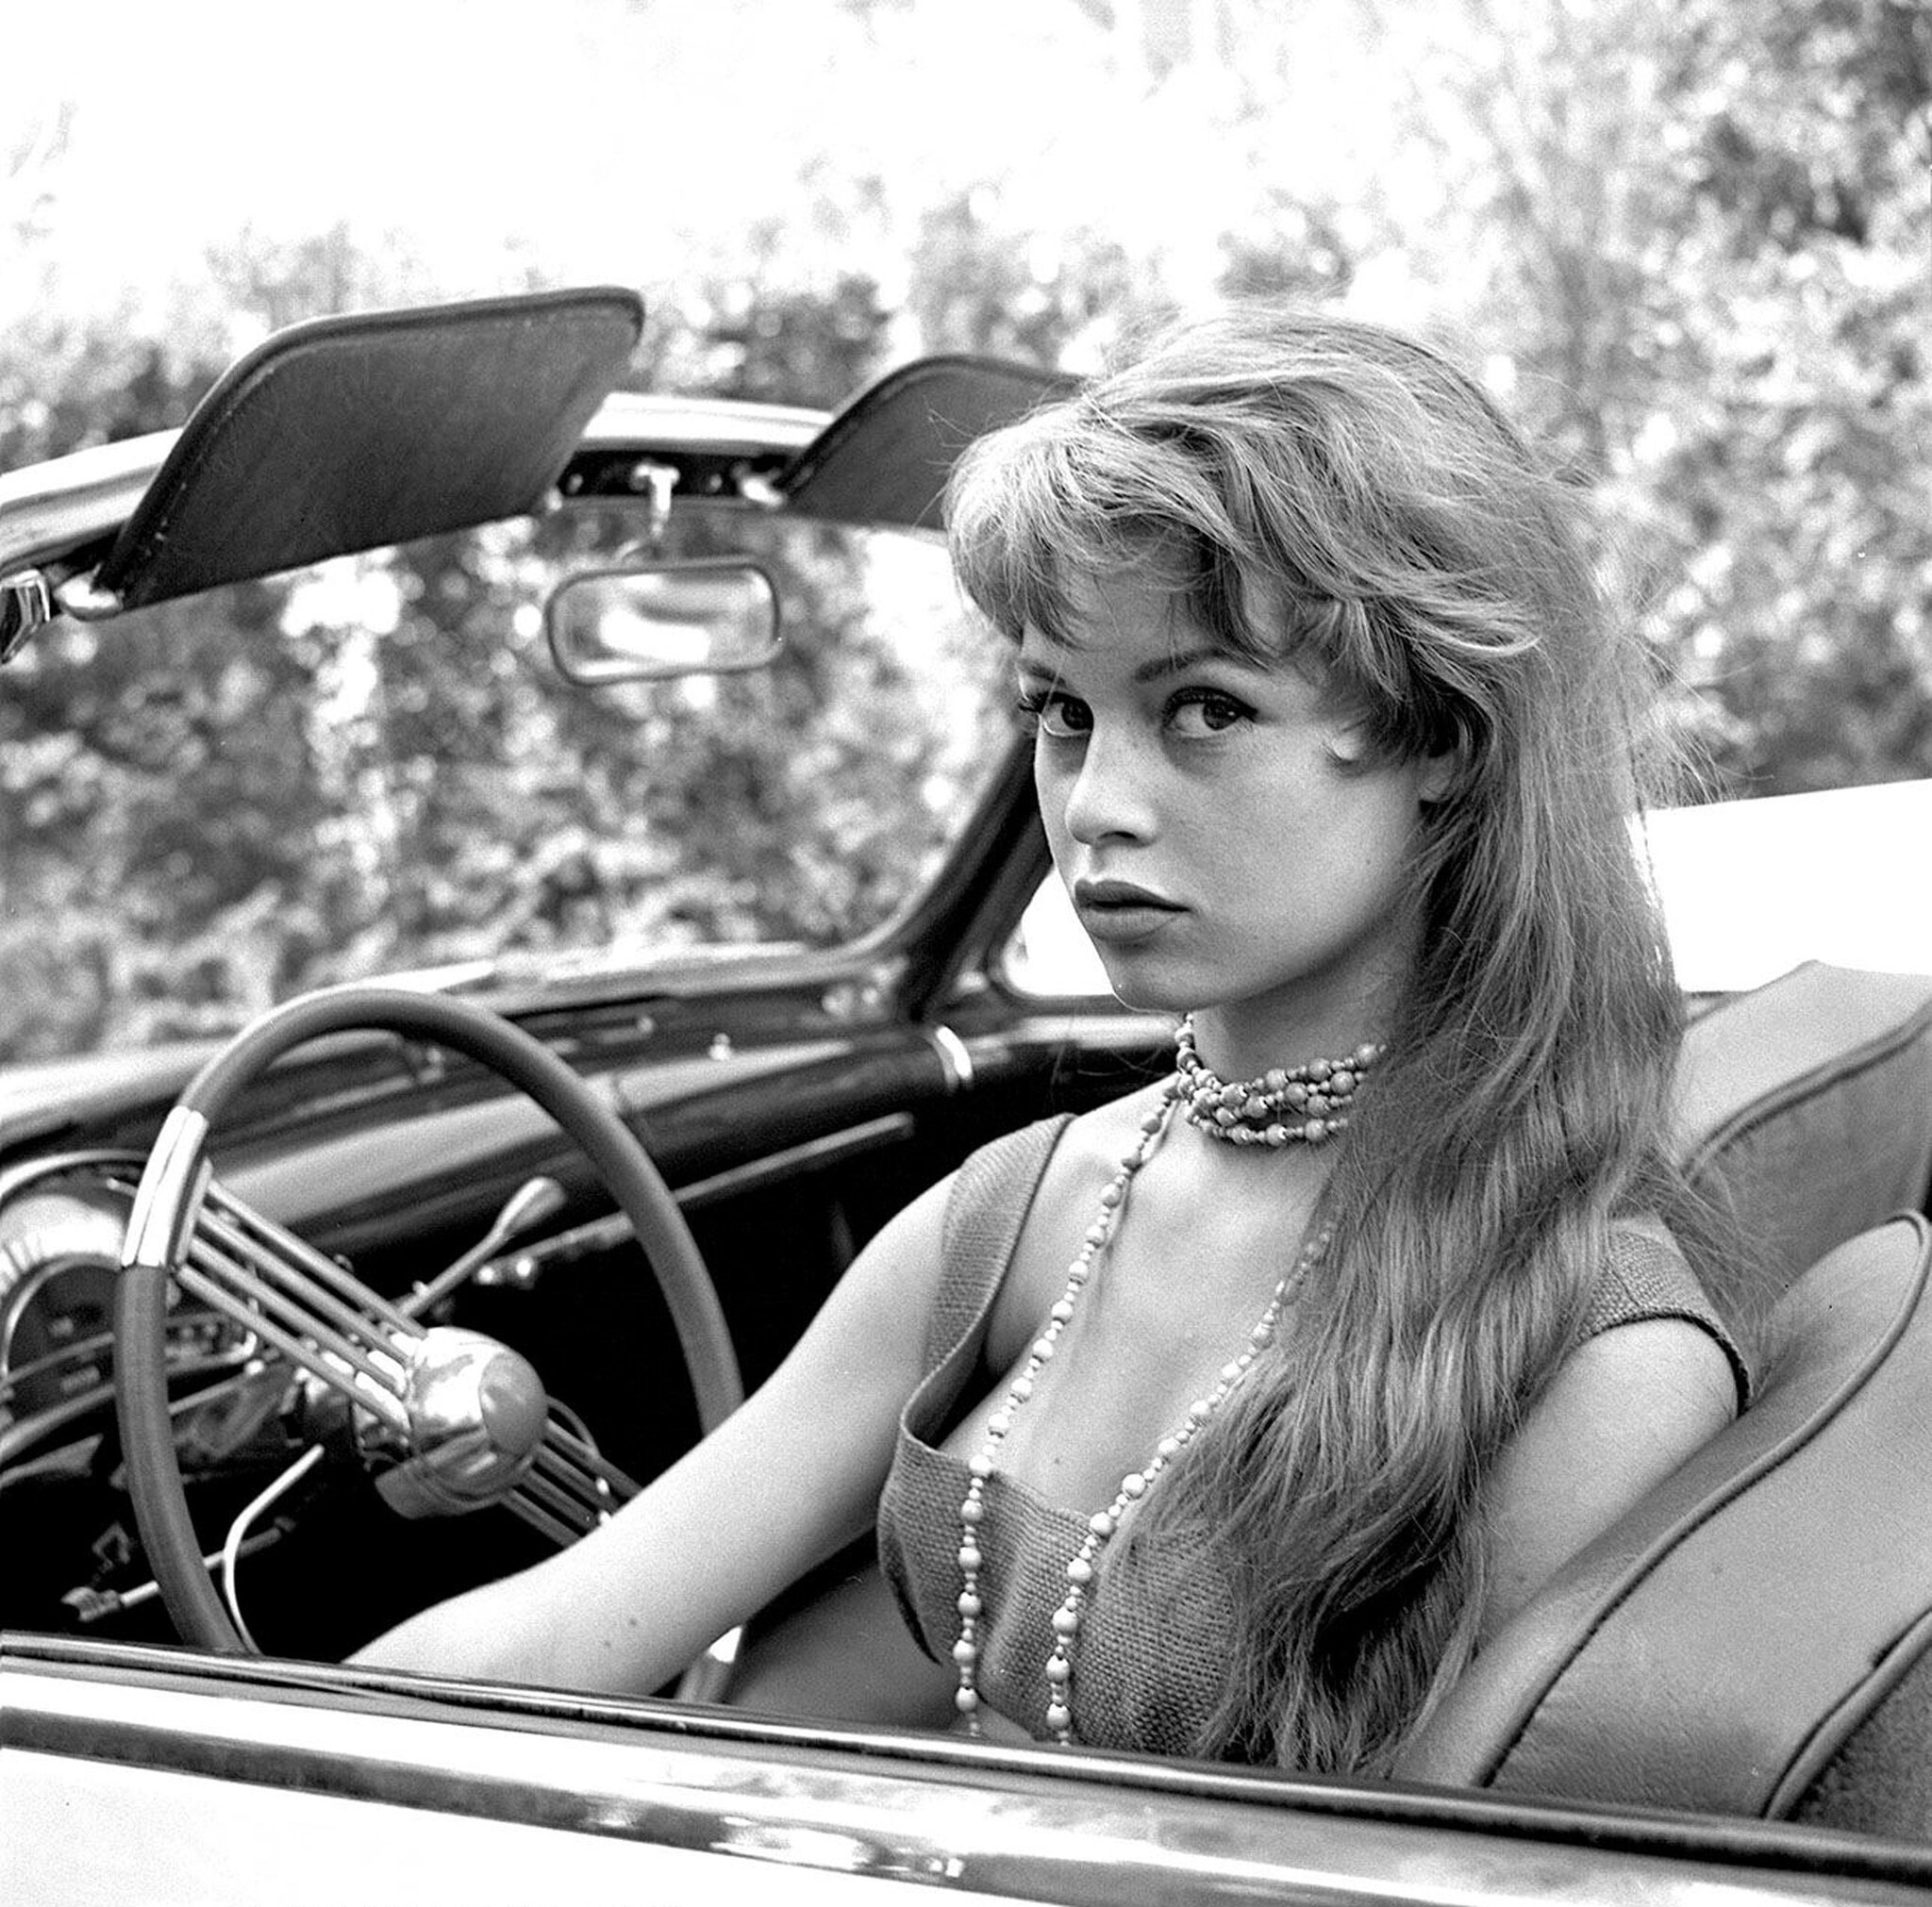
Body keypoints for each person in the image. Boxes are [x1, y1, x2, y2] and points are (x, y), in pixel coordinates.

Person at [359, 307, 1747, 1775]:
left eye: (1205, 707)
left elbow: (1441, 1867)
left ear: (1446, 737)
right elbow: (568, 1628)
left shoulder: (1592, 1346)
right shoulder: (1015, 1215)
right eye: (1061, 710)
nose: (1094, 808)